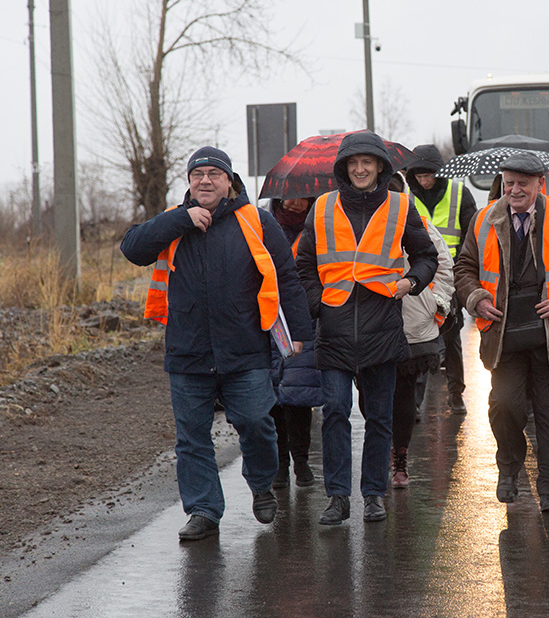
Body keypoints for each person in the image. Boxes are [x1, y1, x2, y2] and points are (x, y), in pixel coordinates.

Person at [121, 146, 312, 541]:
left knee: (257, 424)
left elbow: (287, 277)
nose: (205, 180)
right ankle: (204, 510)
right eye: (197, 174)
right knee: (191, 437)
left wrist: (299, 335)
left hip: (245, 351)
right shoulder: (175, 222)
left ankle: (261, 485)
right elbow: (132, 248)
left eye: (214, 173)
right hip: (188, 353)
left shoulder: (255, 221)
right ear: (189, 183)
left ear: (230, 181)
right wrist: (181, 218)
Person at [295, 131, 438, 526]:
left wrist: (410, 283)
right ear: (344, 168)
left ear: (379, 166)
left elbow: (426, 256)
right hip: (335, 327)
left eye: (367, 162)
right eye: (353, 163)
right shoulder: (321, 207)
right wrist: (316, 303)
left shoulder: (400, 205)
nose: (360, 169)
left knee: (379, 416)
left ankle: (373, 494)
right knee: (335, 412)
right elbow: (303, 263)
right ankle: (338, 497)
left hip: (382, 326)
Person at [454, 151, 549, 513]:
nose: (514, 190)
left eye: (522, 184)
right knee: (505, 404)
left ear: (540, 184)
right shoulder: (484, 219)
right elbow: (464, 266)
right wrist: (476, 298)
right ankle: (509, 469)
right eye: (508, 183)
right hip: (504, 333)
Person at [385, 172, 454, 487]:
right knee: (373, 397)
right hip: (367, 323)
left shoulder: (421, 227)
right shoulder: (357, 228)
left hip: (413, 324)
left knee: (403, 396)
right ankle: (382, 452)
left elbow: (443, 266)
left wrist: (435, 305)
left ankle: (399, 458)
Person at [406, 144, 478, 415]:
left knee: (451, 337)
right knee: (421, 341)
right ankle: (414, 403)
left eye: (429, 175)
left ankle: (456, 394)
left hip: (452, 277)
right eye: (419, 176)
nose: (424, 181)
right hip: (420, 277)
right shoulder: (408, 199)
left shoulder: (460, 194)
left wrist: (458, 276)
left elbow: (471, 239)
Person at [268, 197, 320, 489]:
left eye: (302, 196)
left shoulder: (316, 227)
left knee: (299, 396)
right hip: (269, 319)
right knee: (274, 396)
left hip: (303, 319)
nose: (295, 201)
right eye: (290, 196)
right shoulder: (263, 224)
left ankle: (301, 461)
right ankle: (280, 464)